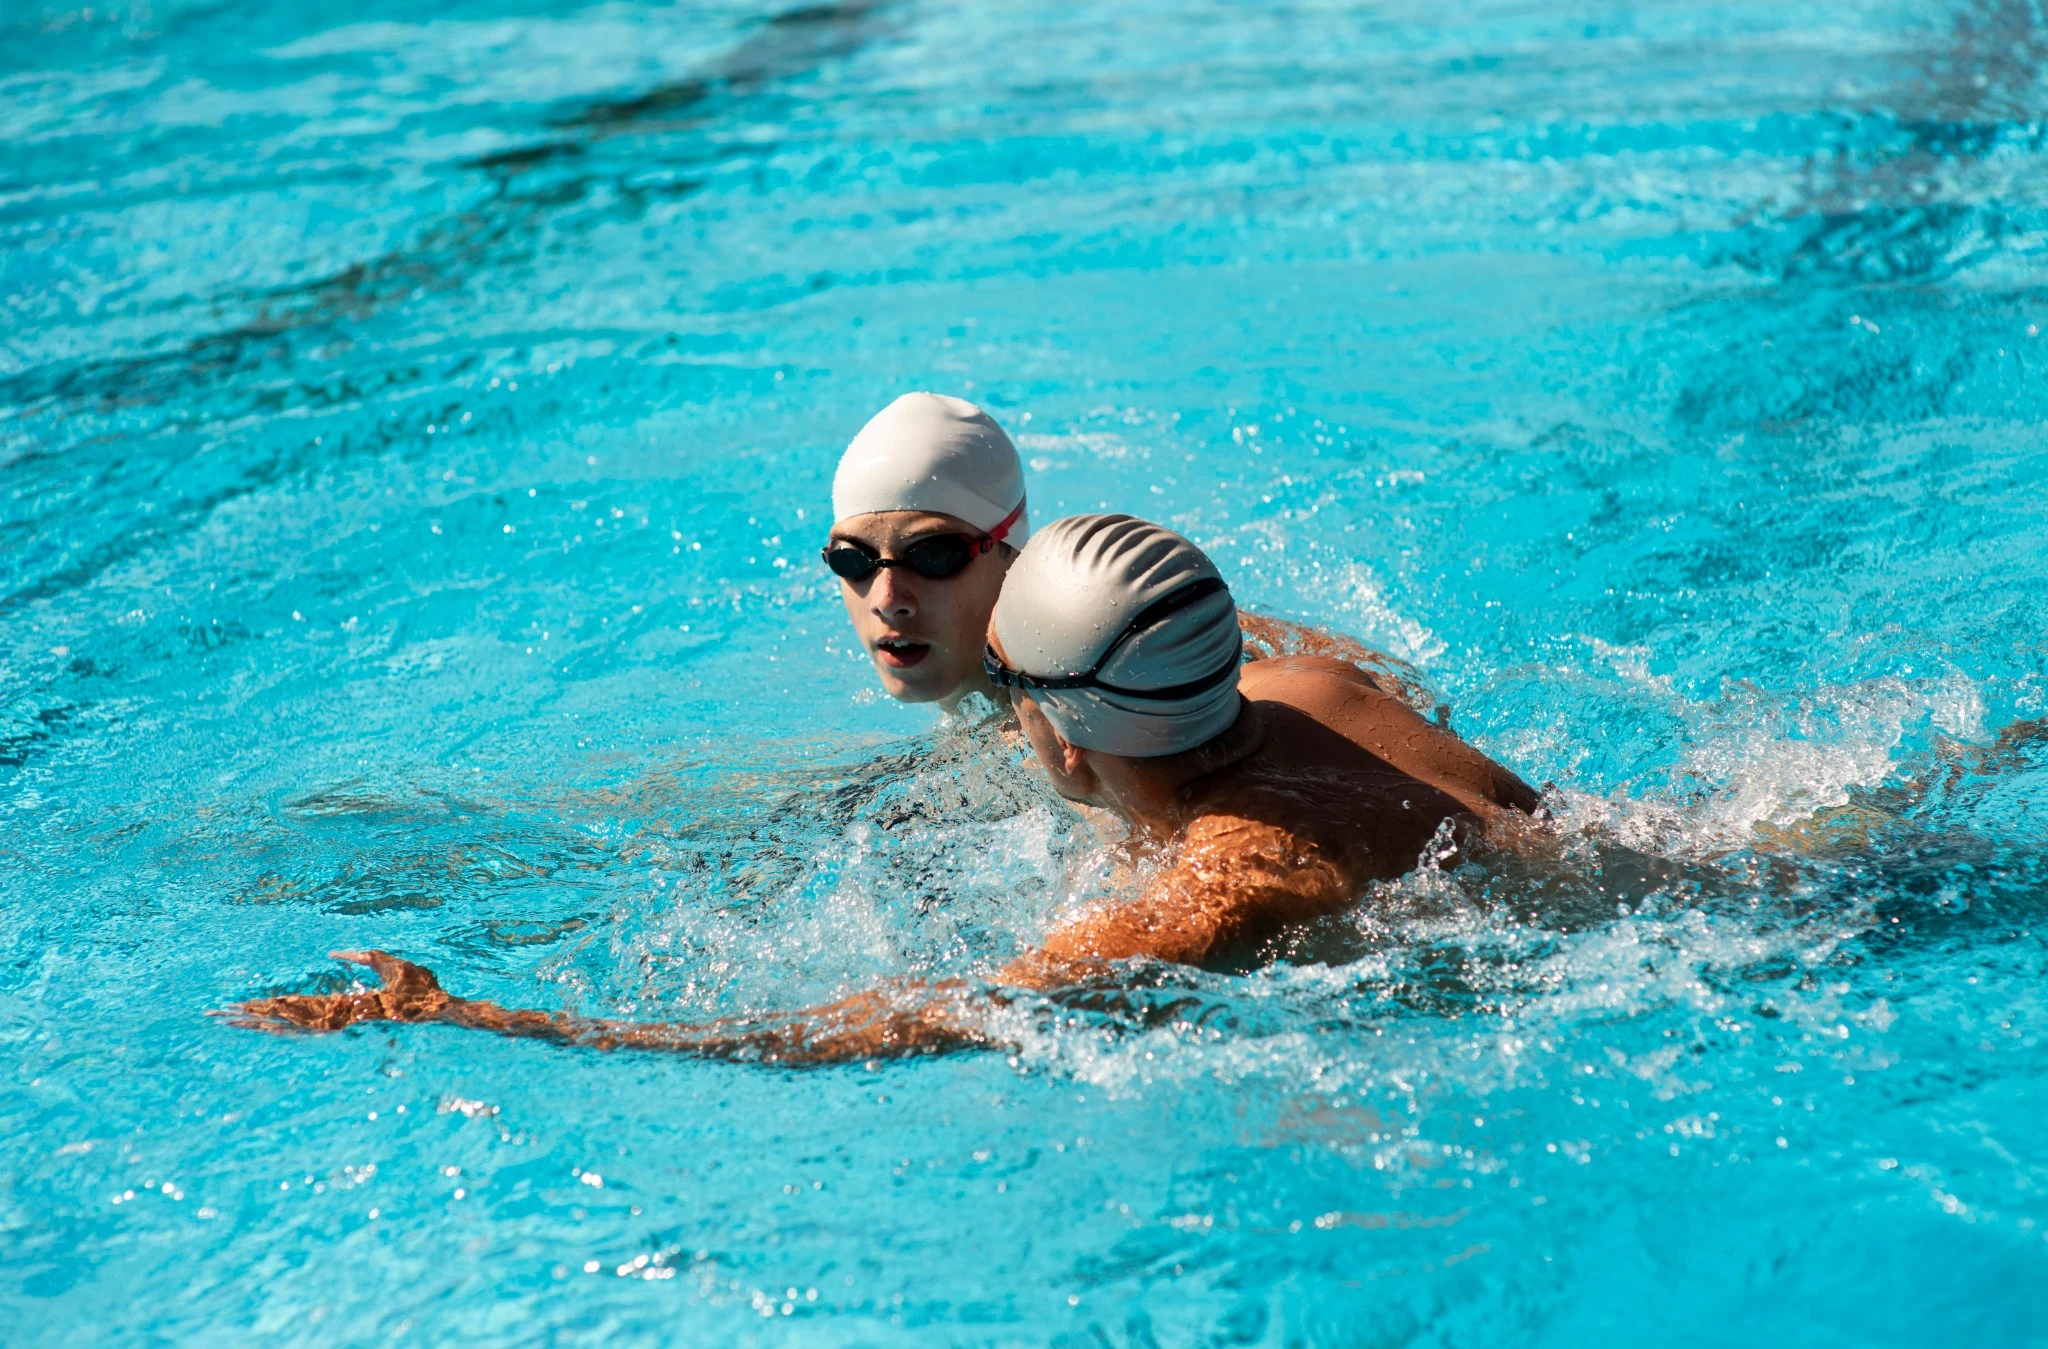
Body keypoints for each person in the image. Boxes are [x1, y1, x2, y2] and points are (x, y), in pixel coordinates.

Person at [228, 515, 1540, 1061]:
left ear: (1061, 739)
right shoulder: (1313, 691)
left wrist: (480, 1015)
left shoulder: (1220, 888)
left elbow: (905, 1024)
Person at [824, 392, 1438, 716]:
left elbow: (1396, 690)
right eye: (854, 561)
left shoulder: (1113, 634)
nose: (888, 599)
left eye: (933, 554)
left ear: (1013, 554)